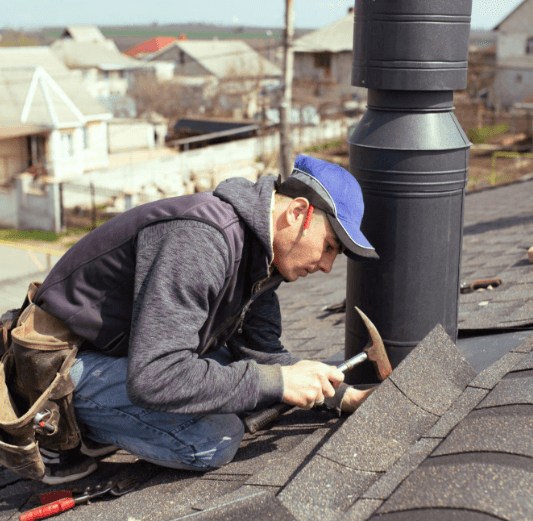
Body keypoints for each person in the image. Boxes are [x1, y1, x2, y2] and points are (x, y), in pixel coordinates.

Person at [30, 154, 380, 484]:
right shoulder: (203, 240)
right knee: (215, 437)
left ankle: (116, 419)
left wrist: (341, 396)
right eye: (330, 246)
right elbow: (155, 376)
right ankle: (66, 428)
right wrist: (275, 382)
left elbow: (260, 355)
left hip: (124, 355)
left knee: (248, 382)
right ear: (297, 212)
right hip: (60, 366)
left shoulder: (261, 256)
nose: (327, 266)